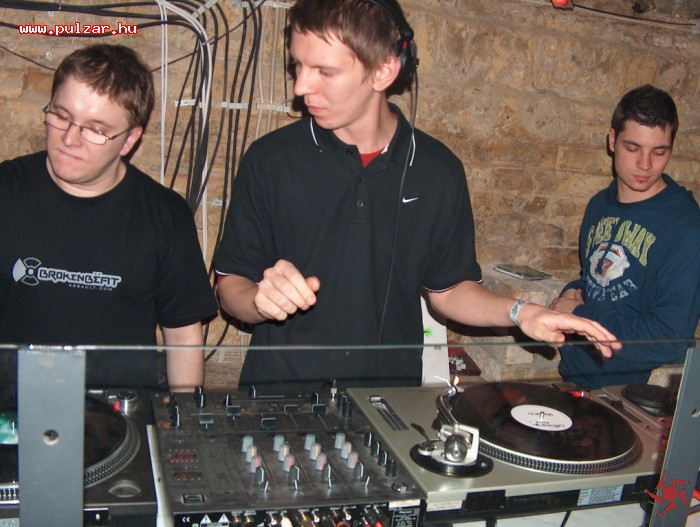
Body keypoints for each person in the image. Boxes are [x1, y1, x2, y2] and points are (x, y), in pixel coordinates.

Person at [214, 0, 619, 394]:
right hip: (277, 397)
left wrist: (520, 312)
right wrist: (259, 301)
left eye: (325, 71)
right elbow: (231, 285)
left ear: (383, 71)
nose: (301, 87)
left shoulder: (437, 171)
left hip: (385, 403)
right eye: (298, 66)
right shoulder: (269, 159)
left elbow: (450, 290)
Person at [0, 44, 218, 400]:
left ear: (130, 139)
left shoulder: (165, 215)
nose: (69, 139)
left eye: (96, 130)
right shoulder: (6, 191)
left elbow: (182, 335)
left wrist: (183, 420)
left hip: (120, 421)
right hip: (12, 415)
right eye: (61, 116)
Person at [550, 85, 700, 388]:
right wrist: (572, 292)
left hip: (629, 395)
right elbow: (599, 283)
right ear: (612, 140)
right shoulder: (599, 205)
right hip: (574, 379)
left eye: (659, 152)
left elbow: (668, 339)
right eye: (633, 148)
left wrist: (580, 315)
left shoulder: (686, 226)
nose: (645, 164)